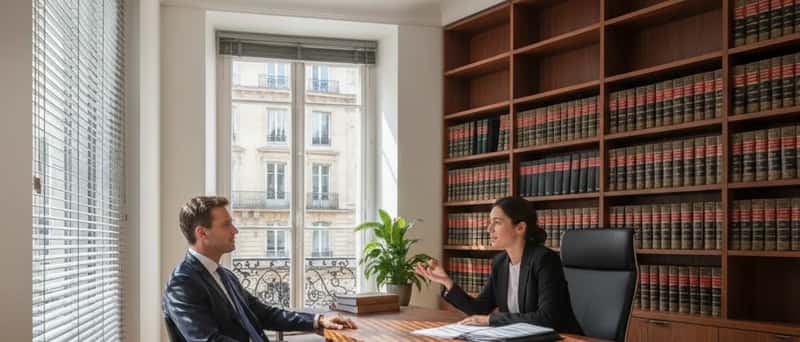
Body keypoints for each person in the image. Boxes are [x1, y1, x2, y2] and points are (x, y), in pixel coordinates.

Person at [163, 196, 356, 342]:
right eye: (227, 224)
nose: (235, 230)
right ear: (202, 233)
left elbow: (264, 314)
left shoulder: (224, 275)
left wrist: (318, 320)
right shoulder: (182, 283)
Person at [414, 196, 581, 334]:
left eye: (497, 222)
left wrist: (491, 320)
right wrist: (447, 282)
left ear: (520, 227)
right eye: (490, 222)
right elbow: (479, 309)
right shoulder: (500, 263)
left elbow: (546, 318)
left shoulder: (544, 260)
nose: (489, 229)